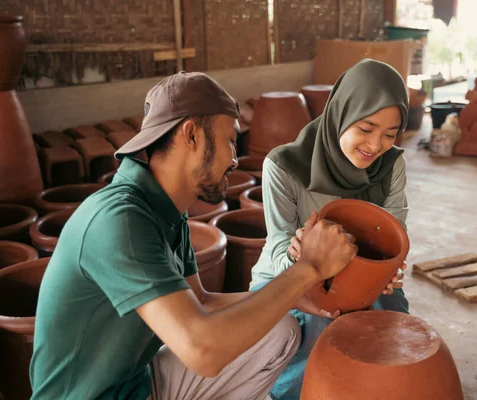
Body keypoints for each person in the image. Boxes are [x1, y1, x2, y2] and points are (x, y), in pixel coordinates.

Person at [29, 71, 359, 400]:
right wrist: (309, 269)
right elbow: (202, 351)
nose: (233, 158)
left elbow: (200, 300)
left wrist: (291, 295)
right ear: (191, 135)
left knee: (281, 329)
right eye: (230, 139)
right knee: (213, 345)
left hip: (138, 386)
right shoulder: (119, 219)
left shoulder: (168, 210)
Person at [249, 59, 411, 399]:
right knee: (314, 333)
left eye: (390, 134)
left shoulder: (391, 165)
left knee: (391, 327)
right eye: (366, 129)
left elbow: (395, 235)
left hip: (362, 278)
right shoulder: (284, 166)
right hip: (289, 276)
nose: (376, 145)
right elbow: (280, 249)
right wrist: (301, 259)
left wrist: (389, 273)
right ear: (341, 113)